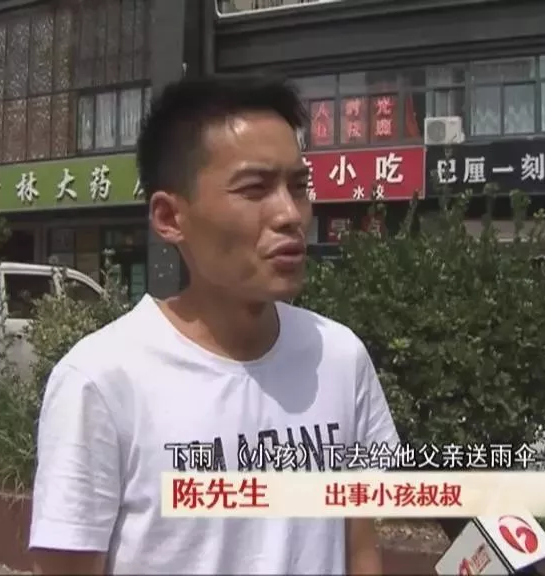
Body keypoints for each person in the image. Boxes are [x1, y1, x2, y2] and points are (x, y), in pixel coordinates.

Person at [29, 74, 399, 575]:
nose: (290, 215)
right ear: (169, 217)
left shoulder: (339, 356)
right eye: (255, 189)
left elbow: (360, 546)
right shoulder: (100, 381)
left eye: (298, 187)